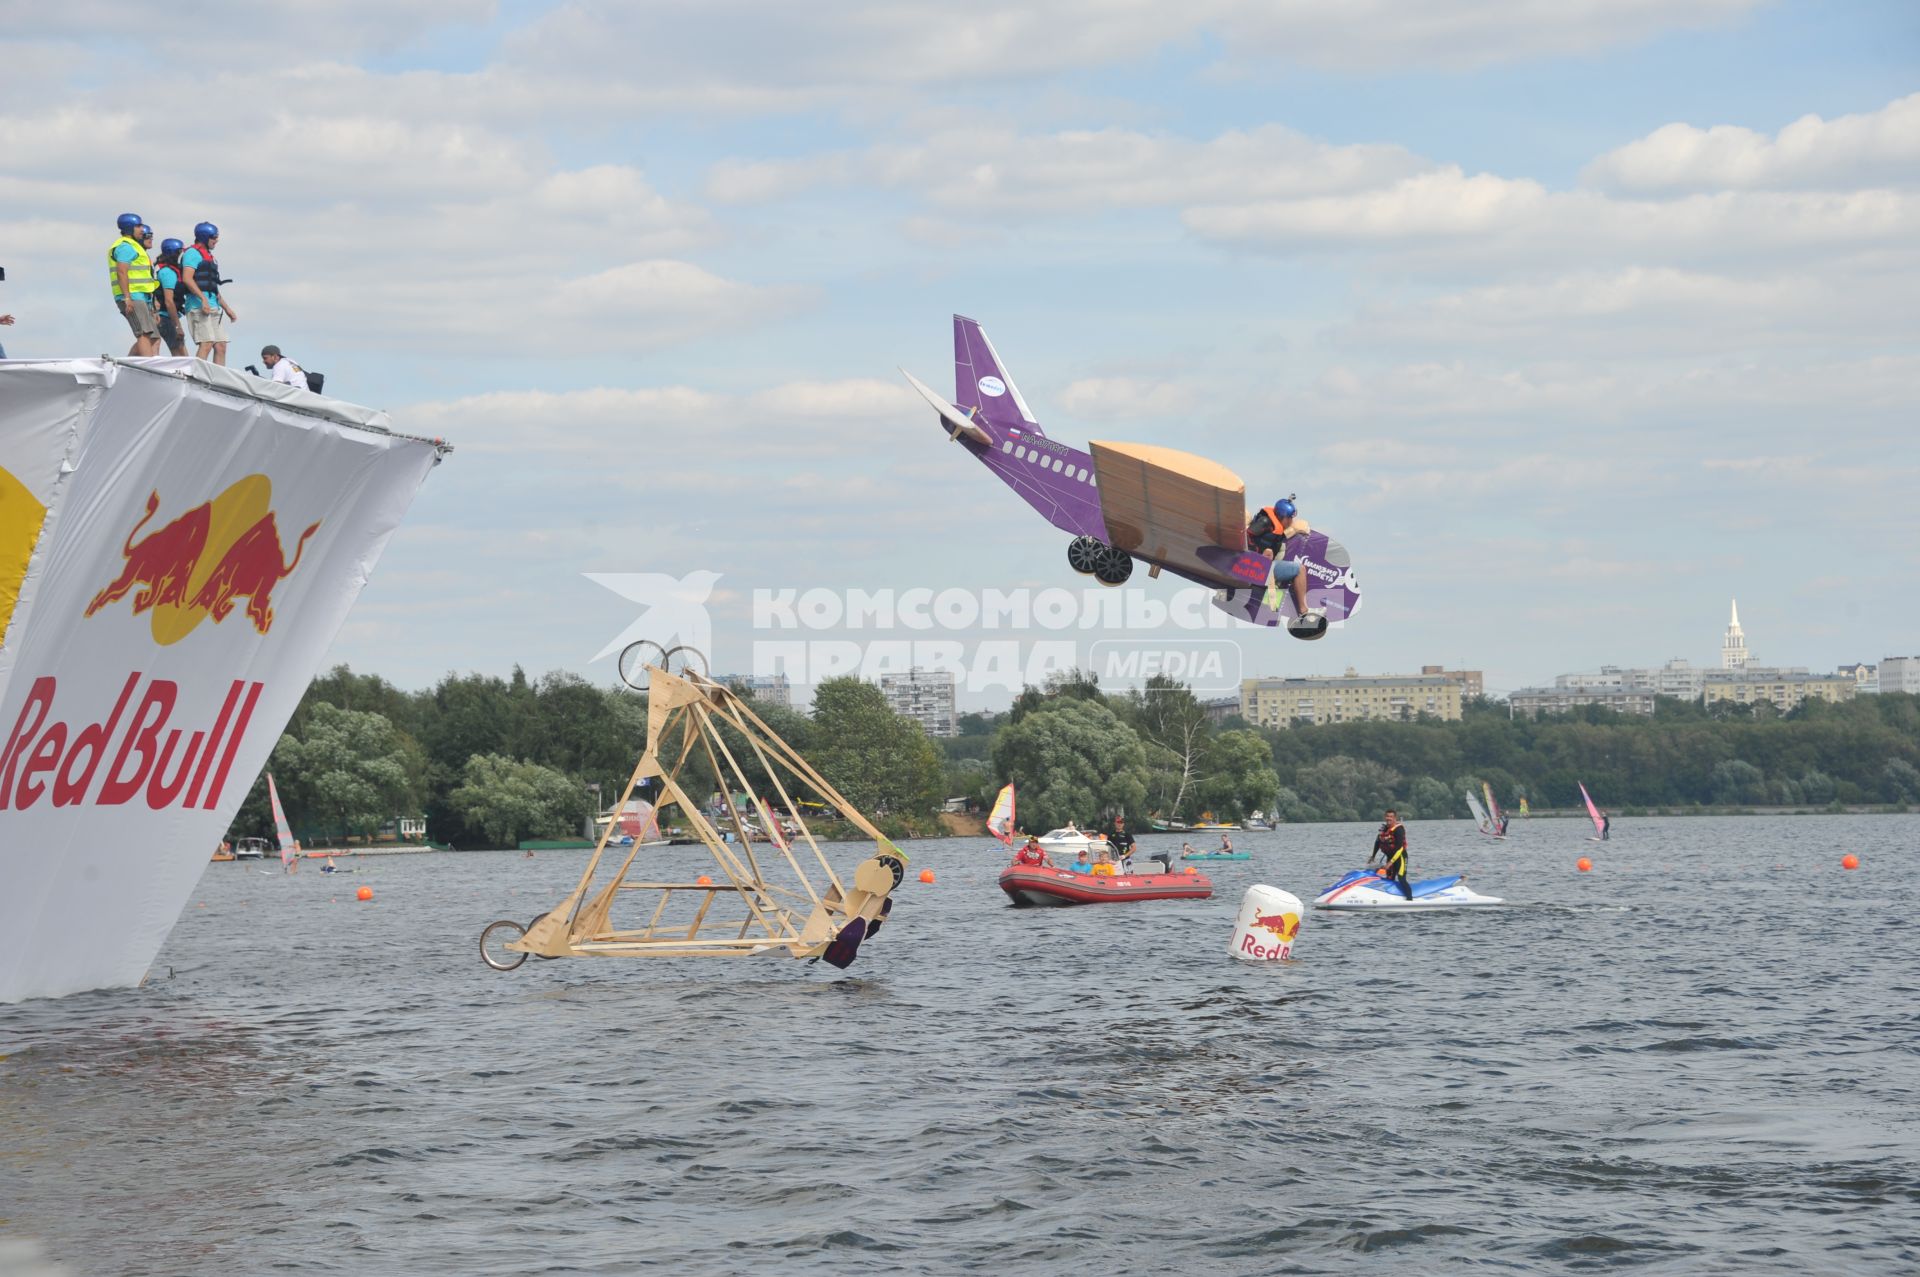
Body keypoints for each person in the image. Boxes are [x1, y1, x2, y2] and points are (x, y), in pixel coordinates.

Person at [1245, 497, 1320, 619]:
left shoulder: (1276, 527)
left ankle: (1269, 606)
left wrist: (1295, 531)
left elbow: (1275, 538)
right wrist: (1259, 555)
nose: (1291, 520)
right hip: (1258, 565)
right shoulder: (1265, 521)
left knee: (1284, 564)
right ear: (1281, 517)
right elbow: (1247, 535)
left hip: (1264, 564)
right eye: (1289, 518)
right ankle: (1304, 611)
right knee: (1300, 569)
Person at [177, 222, 237, 365]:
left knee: (221, 345)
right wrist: (203, 299)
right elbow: (187, 278)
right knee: (207, 343)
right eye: (214, 237)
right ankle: (196, 375)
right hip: (198, 306)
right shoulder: (192, 254)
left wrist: (227, 309)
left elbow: (212, 287)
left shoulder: (210, 257)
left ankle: (219, 380)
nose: (216, 240)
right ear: (205, 237)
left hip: (213, 305)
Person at [108, 212, 161, 356]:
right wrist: (127, 297)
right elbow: (121, 272)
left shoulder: (135, 247)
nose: (142, 230)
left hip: (142, 297)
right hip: (132, 296)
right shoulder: (125, 247)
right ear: (129, 228)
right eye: (138, 226)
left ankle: (130, 364)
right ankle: (149, 368)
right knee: (143, 333)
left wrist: (153, 306)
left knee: (153, 335)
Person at [151, 238, 188, 356]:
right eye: (180, 252)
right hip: (165, 318)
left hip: (163, 316)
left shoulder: (164, 269)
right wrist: (178, 326)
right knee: (181, 356)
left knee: (181, 354)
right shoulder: (168, 273)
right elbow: (169, 302)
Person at [1367, 809, 1414, 901]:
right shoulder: (1384, 829)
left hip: (1400, 857)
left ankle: (1410, 900)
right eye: (1387, 816)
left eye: (1391, 817)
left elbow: (1399, 848)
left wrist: (1390, 863)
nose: (1388, 819)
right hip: (1390, 857)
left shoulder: (1399, 830)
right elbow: (1377, 842)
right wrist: (1373, 856)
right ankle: (1390, 898)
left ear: (1395, 818)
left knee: (1401, 878)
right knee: (1389, 879)